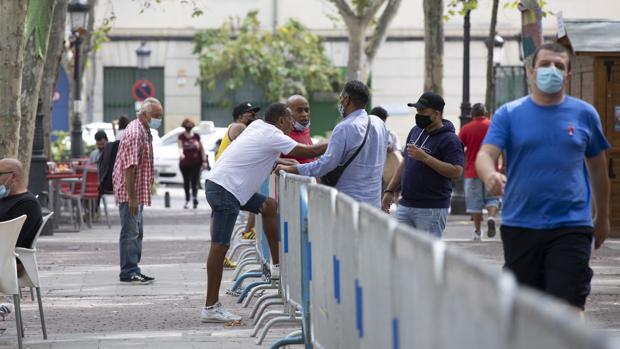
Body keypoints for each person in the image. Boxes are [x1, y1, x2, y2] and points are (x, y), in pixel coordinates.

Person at [476, 43, 610, 310]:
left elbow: (597, 168)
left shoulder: (585, 114)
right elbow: (484, 155)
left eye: (559, 66)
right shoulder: (509, 114)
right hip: (521, 224)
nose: (552, 70)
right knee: (526, 310)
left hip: (571, 225)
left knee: (568, 304)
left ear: (568, 75)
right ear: (532, 72)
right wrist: (490, 175)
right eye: (545, 65)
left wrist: (602, 217)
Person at [201, 103, 327, 322]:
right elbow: (310, 151)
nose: (292, 124)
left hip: (223, 185)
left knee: (268, 206)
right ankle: (210, 307)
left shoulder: (259, 126)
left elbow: (256, 152)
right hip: (226, 189)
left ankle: (276, 267)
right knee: (220, 246)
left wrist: (281, 161)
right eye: (290, 120)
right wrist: (339, 141)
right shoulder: (274, 134)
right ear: (280, 121)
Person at [276, 80, 388, 207]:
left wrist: (292, 169)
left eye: (341, 98)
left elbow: (326, 164)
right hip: (374, 203)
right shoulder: (378, 123)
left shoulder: (344, 127)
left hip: (348, 204)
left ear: (346, 100)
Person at [382, 92, 464, 238]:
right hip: (406, 204)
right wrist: (389, 191)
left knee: (427, 257)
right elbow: (405, 162)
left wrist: (425, 158)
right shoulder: (415, 131)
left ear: (437, 114)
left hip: (431, 208)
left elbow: (456, 172)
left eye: (422, 111)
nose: (418, 114)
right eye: (417, 111)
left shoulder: (451, 140)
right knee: (400, 252)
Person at [112, 97, 163, 285]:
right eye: (156, 116)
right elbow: (129, 168)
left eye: (160, 116)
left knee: (136, 231)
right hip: (129, 192)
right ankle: (128, 271)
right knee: (130, 232)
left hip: (136, 191)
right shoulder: (135, 133)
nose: (159, 120)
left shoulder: (144, 130)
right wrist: (132, 198)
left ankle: (134, 268)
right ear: (144, 114)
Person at [0, 158, 43, 318]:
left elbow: (13, 241)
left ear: (13, 176)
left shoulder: (27, 204)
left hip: (9, 263)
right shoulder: (4, 199)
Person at [458, 103, 500, 240]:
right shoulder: (492, 126)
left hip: (472, 170)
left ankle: (477, 231)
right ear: (485, 113)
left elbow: (458, 147)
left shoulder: (466, 128)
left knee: (475, 204)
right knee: (492, 198)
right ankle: (492, 217)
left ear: (472, 114)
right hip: (490, 170)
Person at [178, 118, 208, 209]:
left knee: (195, 182)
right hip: (185, 163)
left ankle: (195, 198)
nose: (188, 127)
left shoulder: (196, 136)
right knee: (186, 182)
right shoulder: (181, 137)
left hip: (196, 162)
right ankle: (187, 200)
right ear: (184, 126)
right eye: (187, 125)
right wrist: (181, 154)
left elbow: (202, 149)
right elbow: (180, 147)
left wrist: (204, 161)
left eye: (190, 125)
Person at [371, 106, 403, 190]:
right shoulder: (368, 135)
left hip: (389, 174)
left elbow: (398, 153)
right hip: (373, 175)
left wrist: (389, 149)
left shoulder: (391, 134)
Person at [281, 95, 314, 164]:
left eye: (306, 110)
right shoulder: (281, 134)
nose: (305, 114)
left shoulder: (306, 129)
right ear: (288, 112)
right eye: (299, 110)